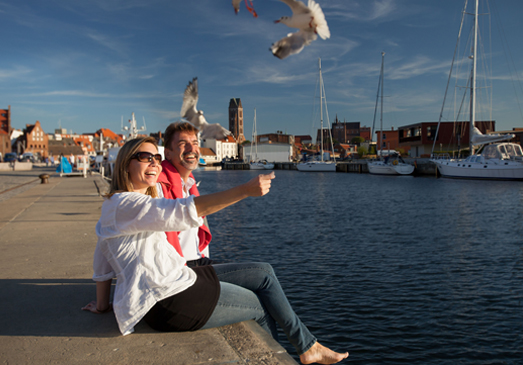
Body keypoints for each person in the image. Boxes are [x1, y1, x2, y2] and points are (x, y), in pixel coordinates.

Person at [82, 136, 348, 365]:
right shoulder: (126, 203)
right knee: (259, 305)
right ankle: (294, 354)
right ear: (125, 164)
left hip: (176, 282)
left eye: (156, 157)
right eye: (145, 157)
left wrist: (103, 306)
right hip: (167, 299)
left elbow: (101, 261)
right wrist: (245, 190)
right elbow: (184, 210)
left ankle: (307, 347)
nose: (154, 163)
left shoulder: (122, 206)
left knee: (263, 273)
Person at [157, 122, 212, 267]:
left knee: (260, 273)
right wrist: (244, 191)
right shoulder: (160, 186)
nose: (191, 148)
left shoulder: (190, 185)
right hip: (179, 268)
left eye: (195, 143)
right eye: (183, 143)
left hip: (199, 260)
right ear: (167, 153)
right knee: (262, 276)